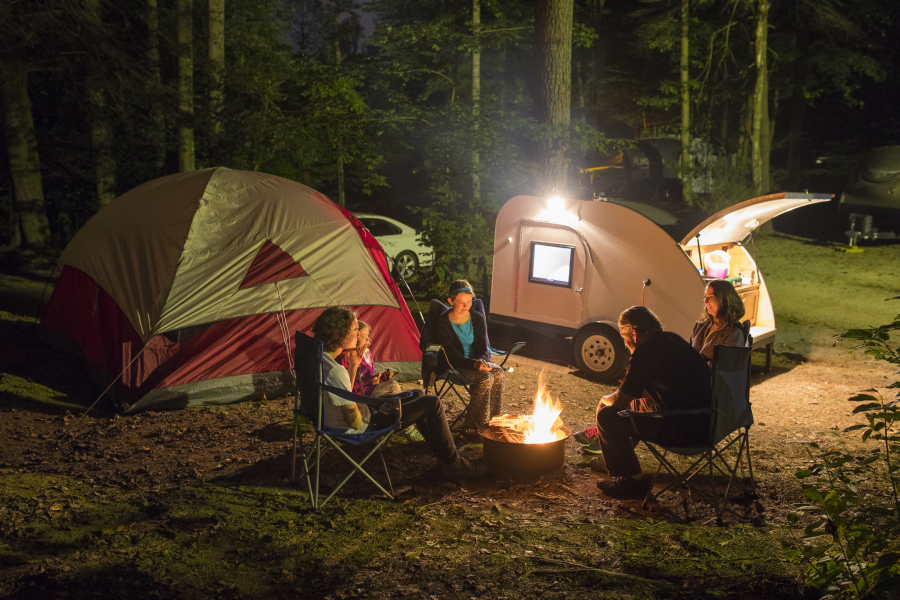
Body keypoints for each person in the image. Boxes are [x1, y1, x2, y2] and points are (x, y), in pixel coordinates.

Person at [312, 306, 489, 481]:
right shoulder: (336, 371)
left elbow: (344, 394)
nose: (358, 334)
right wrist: (368, 407)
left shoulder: (321, 359)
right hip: (362, 426)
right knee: (432, 403)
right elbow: (356, 422)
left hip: (346, 417)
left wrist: (353, 366)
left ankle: (442, 454)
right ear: (339, 334)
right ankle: (454, 464)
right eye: (355, 330)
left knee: (418, 394)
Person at [581, 306, 712, 499]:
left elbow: (619, 402)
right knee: (634, 408)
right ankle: (612, 460)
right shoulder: (671, 339)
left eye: (624, 338)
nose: (625, 345)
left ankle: (634, 481)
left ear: (633, 333)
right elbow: (644, 392)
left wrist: (604, 400)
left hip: (683, 430)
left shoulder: (645, 353)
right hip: (707, 422)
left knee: (608, 416)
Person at [433, 279, 505, 434]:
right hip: (454, 366)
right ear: (450, 301)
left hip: (477, 363)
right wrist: (473, 364)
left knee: (498, 372)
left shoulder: (477, 318)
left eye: (469, 301)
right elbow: (451, 354)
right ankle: (474, 426)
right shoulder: (443, 322)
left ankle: (494, 421)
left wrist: (482, 360)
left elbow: (483, 346)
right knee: (486, 378)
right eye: (460, 302)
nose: (466, 306)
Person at [339, 320, 401, 398]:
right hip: (360, 394)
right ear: (352, 337)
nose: (367, 340)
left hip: (369, 389)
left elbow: (369, 378)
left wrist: (381, 378)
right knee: (393, 386)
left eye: (367, 336)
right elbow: (347, 385)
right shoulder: (345, 357)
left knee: (416, 392)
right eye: (363, 336)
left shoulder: (366, 353)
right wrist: (369, 381)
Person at [690, 280, 747, 362]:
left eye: (711, 297)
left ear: (725, 300)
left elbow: (724, 367)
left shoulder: (733, 333)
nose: (705, 302)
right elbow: (688, 352)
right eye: (705, 297)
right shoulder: (701, 325)